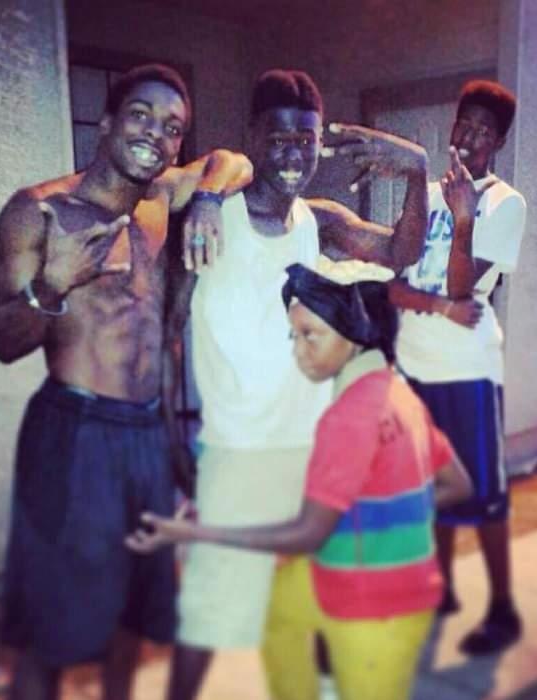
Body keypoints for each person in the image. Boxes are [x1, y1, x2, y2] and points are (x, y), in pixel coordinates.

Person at [0, 63, 252, 700]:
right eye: (140, 115)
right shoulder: (39, 212)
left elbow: (234, 162)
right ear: (106, 124)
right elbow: (1, 340)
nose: (156, 134)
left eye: (172, 127)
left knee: (135, 616)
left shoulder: (163, 198)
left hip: (146, 437)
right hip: (74, 435)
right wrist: (54, 284)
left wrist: (209, 198)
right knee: (51, 633)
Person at [166, 68, 430, 700]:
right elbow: (168, 331)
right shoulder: (210, 220)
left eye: (305, 140)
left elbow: (400, 252)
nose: (293, 153)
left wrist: (418, 171)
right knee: (208, 614)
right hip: (235, 455)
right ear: (253, 136)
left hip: (312, 455)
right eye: (279, 138)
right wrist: (170, 433)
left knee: (322, 595)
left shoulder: (319, 221)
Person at [127, 259, 473, 700]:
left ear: (355, 332)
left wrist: (192, 532)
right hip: (387, 583)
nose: (298, 351)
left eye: (310, 335)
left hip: (374, 609)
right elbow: (458, 484)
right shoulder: (399, 393)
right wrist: (383, 512)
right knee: (279, 605)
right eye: (294, 335)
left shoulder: (345, 419)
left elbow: (309, 534)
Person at [388, 79, 527, 655]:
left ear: (498, 142)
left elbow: (464, 288)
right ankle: (439, 589)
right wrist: (437, 306)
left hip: (468, 370)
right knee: (431, 486)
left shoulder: (504, 203)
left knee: (485, 494)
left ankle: (503, 610)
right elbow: (394, 285)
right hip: (413, 365)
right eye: (463, 124)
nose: (469, 137)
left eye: (483, 130)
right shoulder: (424, 194)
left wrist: (464, 221)